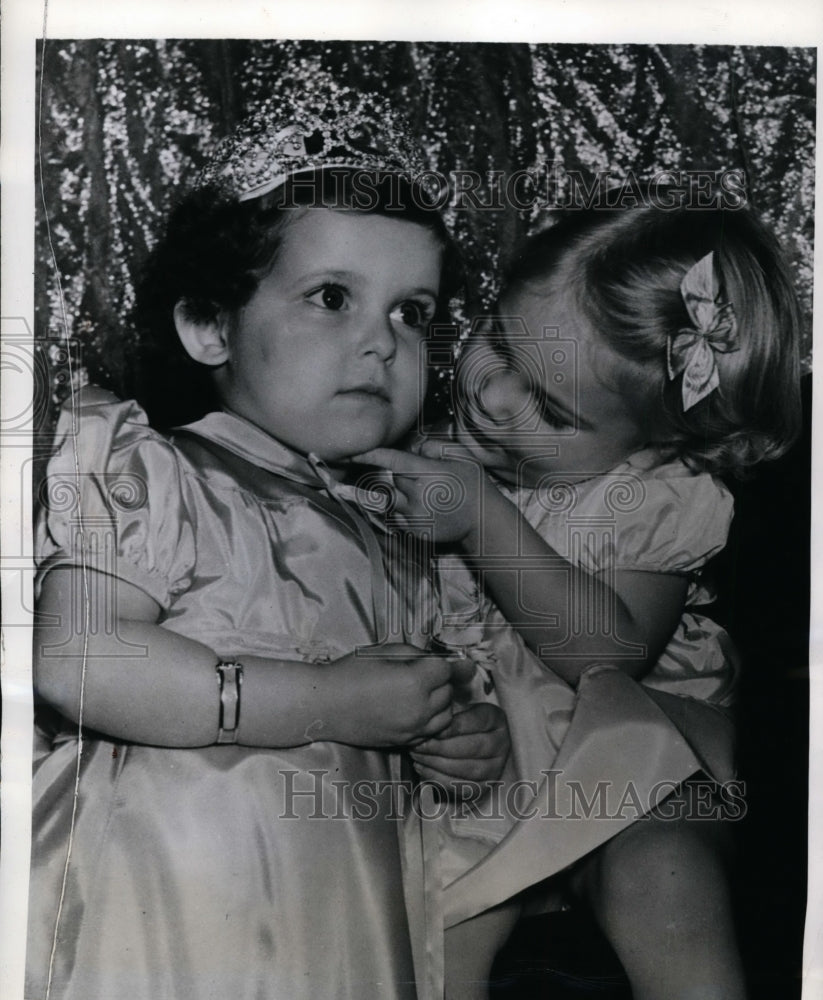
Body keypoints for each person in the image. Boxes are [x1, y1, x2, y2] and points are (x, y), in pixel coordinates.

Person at [26, 87, 511, 1000]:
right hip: (163, 909)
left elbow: (451, 714)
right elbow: (76, 659)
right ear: (210, 325)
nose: (381, 344)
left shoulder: (416, 538)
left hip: (343, 929)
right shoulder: (152, 470)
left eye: (411, 312)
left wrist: (464, 747)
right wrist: (326, 701)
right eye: (332, 298)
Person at [357, 203, 801, 999]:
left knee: (661, 873)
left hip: (627, 759)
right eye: (498, 343)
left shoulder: (658, 492)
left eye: (550, 410)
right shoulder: (430, 450)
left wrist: (483, 519)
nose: (494, 396)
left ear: (655, 439)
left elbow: (606, 658)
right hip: (477, 760)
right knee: (432, 911)